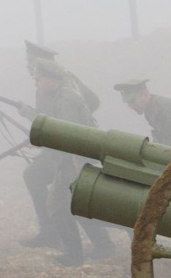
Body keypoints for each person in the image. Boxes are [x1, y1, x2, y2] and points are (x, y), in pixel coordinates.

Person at [21, 55, 118, 266]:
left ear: (50, 79)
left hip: (72, 162)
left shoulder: (65, 99)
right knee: (69, 206)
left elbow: (69, 135)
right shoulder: (62, 95)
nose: (36, 83)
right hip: (70, 161)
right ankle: (91, 249)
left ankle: (76, 255)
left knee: (59, 206)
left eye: (39, 79)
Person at [113, 79, 171, 149]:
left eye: (132, 101)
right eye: (127, 102)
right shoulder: (150, 111)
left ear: (144, 94)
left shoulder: (163, 109)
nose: (131, 106)